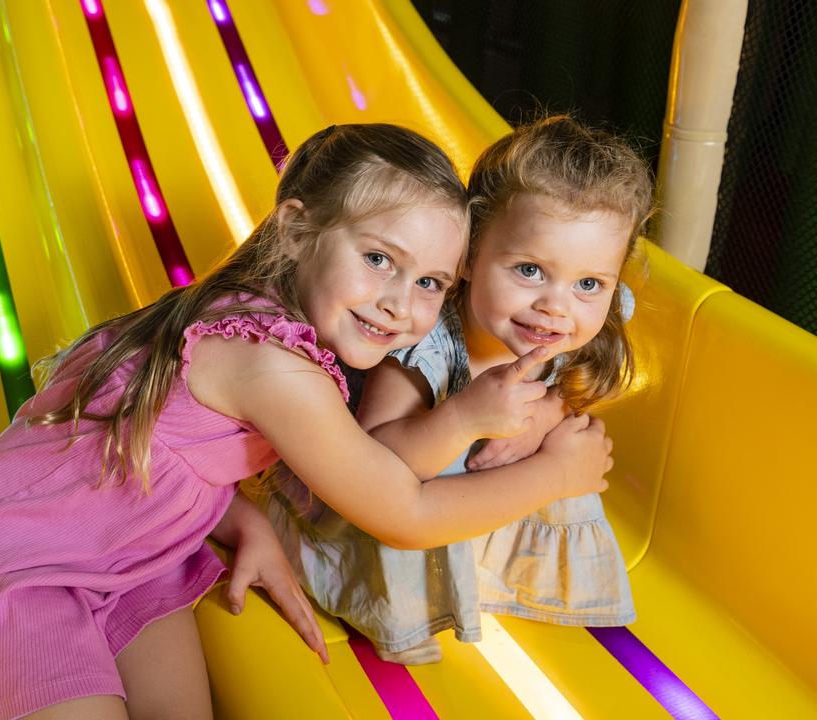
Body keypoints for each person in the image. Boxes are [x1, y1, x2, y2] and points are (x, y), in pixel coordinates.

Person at [0, 123, 614, 720]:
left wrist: (230, 517)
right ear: (296, 228)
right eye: (379, 259)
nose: (402, 303)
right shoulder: (274, 367)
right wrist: (555, 472)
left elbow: (165, 438)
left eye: (430, 282)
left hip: (138, 555)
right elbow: (404, 510)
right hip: (32, 566)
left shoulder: (277, 316)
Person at [268, 116, 650, 665]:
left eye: (589, 282)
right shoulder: (426, 341)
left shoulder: (582, 320)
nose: (558, 305)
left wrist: (548, 411)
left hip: (482, 512)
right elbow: (377, 461)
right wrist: (464, 419)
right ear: (469, 256)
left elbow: (587, 369)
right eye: (529, 270)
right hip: (399, 520)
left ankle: (493, 576)